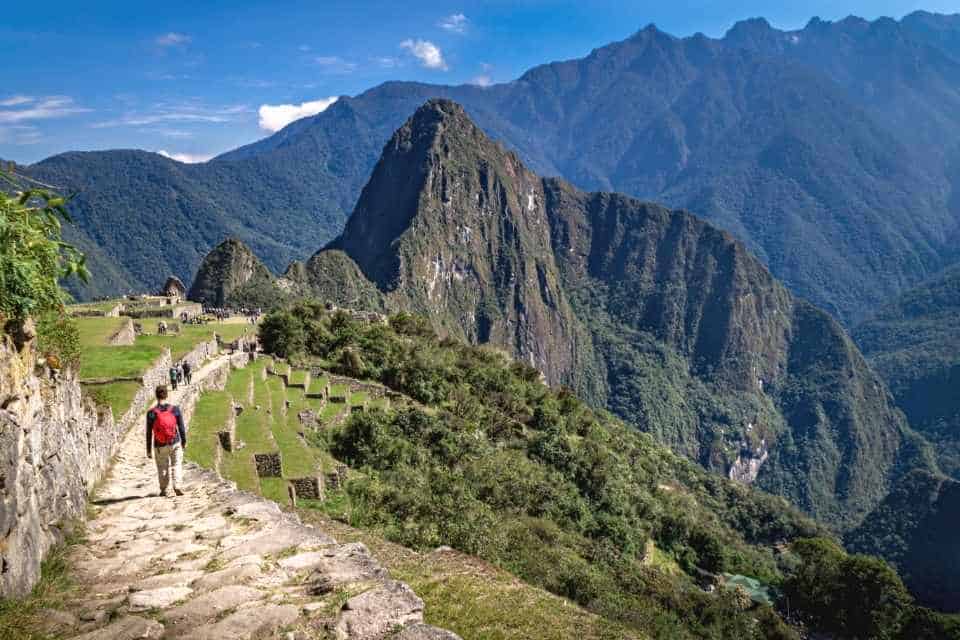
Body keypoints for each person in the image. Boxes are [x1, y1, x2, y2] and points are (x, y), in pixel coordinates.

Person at [146, 385, 187, 497]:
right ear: (166, 394)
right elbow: (181, 427)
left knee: (162, 466)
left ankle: (164, 489)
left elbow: (149, 433)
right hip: (175, 442)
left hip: (159, 445)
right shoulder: (175, 409)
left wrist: (148, 450)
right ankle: (177, 486)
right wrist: (184, 441)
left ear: (156, 395)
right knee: (177, 464)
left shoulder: (151, 413)